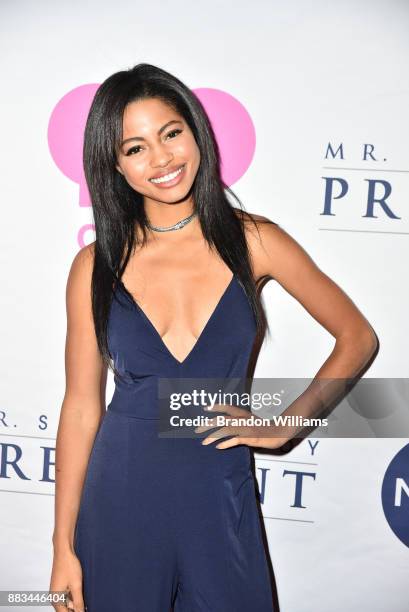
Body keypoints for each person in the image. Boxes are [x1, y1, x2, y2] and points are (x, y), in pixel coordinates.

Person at [49, 63, 378, 612]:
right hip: (121, 495)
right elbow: (82, 406)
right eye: (135, 148)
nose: (161, 159)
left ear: (195, 132)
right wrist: (62, 546)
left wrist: (285, 425)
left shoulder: (256, 241)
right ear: (114, 165)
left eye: (171, 133)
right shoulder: (94, 265)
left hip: (217, 494)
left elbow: (356, 336)